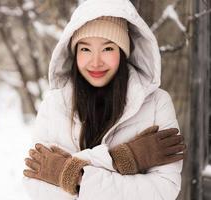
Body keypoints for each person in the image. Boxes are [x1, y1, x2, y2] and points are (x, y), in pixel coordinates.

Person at [23, 0, 186, 199]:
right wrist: (120, 160)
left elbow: (164, 190)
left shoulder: (156, 103)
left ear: (122, 51)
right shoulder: (54, 104)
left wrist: (72, 175)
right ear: (74, 53)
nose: (96, 61)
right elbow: (35, 186)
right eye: (85, 49)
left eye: (108, 49)